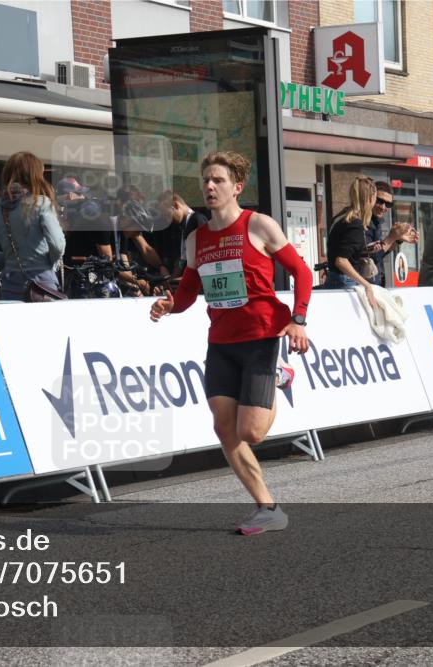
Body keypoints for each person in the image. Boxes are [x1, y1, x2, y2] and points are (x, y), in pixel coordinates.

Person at [149, 151, 312, 536]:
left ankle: (278, 376)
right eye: (206, 180)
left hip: (260, 337)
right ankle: (267, 507)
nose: (209, 186)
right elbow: (188, 292)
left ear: (236, 187)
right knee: (226, 430)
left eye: (218, 180)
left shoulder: (258, 226)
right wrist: (169, 305)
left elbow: (302, 272)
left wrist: (299, 318)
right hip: (221, 342)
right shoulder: (196, 239)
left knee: (251, 432)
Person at [0, 152, 66, 301]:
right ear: (34, 175)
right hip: (42, 284)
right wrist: (47, 262)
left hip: (10, 285)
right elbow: (58, 245)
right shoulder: (41, 203)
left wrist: (9, 259)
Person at [325, 176, 380, 308]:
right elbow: (341, 261)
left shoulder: (342, 218)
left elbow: (341, 251)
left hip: (335, 279)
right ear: (371, 199)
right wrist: (366, 285)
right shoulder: (355, 224)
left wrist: (363, 251)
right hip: (344, 282)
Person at [365, 181, 418, 286]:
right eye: (380, 201)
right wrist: (392, 237)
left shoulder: (376, 221)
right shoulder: (362, 222)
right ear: (371, 198)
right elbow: (371, 258)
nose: (383, 207)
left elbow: (380, 253)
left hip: (375, 283)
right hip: (364, 285)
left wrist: (398, 238)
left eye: (388, 204)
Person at [153, 191, 209, 278]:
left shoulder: (197, 221)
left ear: (175, 205)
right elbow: (183, 258)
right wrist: (172, 279)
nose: (169, 220)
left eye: (168, 215)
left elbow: (205, 256)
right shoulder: (183, 226)